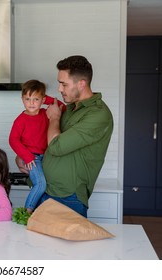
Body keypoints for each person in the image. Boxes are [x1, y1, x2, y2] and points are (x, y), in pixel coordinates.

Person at [16, 55, 113, 217]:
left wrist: (54, 118)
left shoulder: (98, 115)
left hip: (68, 197)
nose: (60, 89)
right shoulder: (69, 109)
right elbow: (42, 140)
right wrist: (24, 156)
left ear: (81, 84)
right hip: (44, 190)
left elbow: (57, 145)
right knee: (34, 243)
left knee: (66, 243)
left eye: (64, 84)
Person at [9, 79, 65, 214]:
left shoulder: (46, 114)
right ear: (22, 99)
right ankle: (26, 212)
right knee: (40, 184)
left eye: (36, 99)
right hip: (32, 158)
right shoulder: (20, 120)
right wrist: (27, 157)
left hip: (48, 157)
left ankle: (41, 213)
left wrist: (45, 100)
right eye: (27, 99)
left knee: (48, 186)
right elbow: (13, 140)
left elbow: (62, 107)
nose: (31, 103)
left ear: (43, 100)